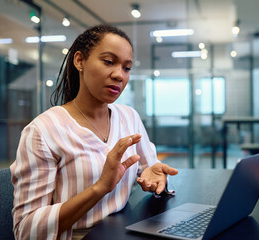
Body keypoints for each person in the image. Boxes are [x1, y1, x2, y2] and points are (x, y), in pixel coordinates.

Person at [10, 24, 178, 240]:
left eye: (126, 68)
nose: (119, 75)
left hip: (122, 229)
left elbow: (150, 167)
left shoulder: (129, 117)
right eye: (109, 62)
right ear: (80, 61)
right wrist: (100, 188)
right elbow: (26, 230)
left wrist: (156, 176)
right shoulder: (43, 131)